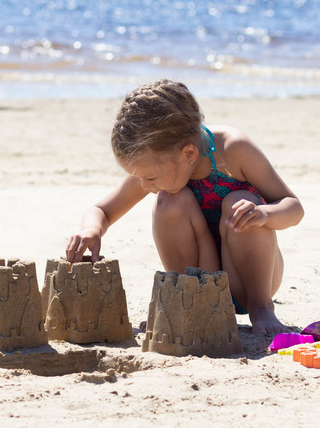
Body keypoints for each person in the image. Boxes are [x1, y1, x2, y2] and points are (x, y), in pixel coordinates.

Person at [65, 79, 304, 334]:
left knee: (240, 203)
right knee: (169, 201)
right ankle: (187, 303)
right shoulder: (158, 159)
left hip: (249, 280)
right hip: (202, 280)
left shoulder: (233, 149)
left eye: (150, 178)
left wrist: (263, 214)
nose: (144, 185)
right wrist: (91, 229)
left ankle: (262, 310)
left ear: (188, 153)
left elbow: (293, 207)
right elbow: (102, 210)